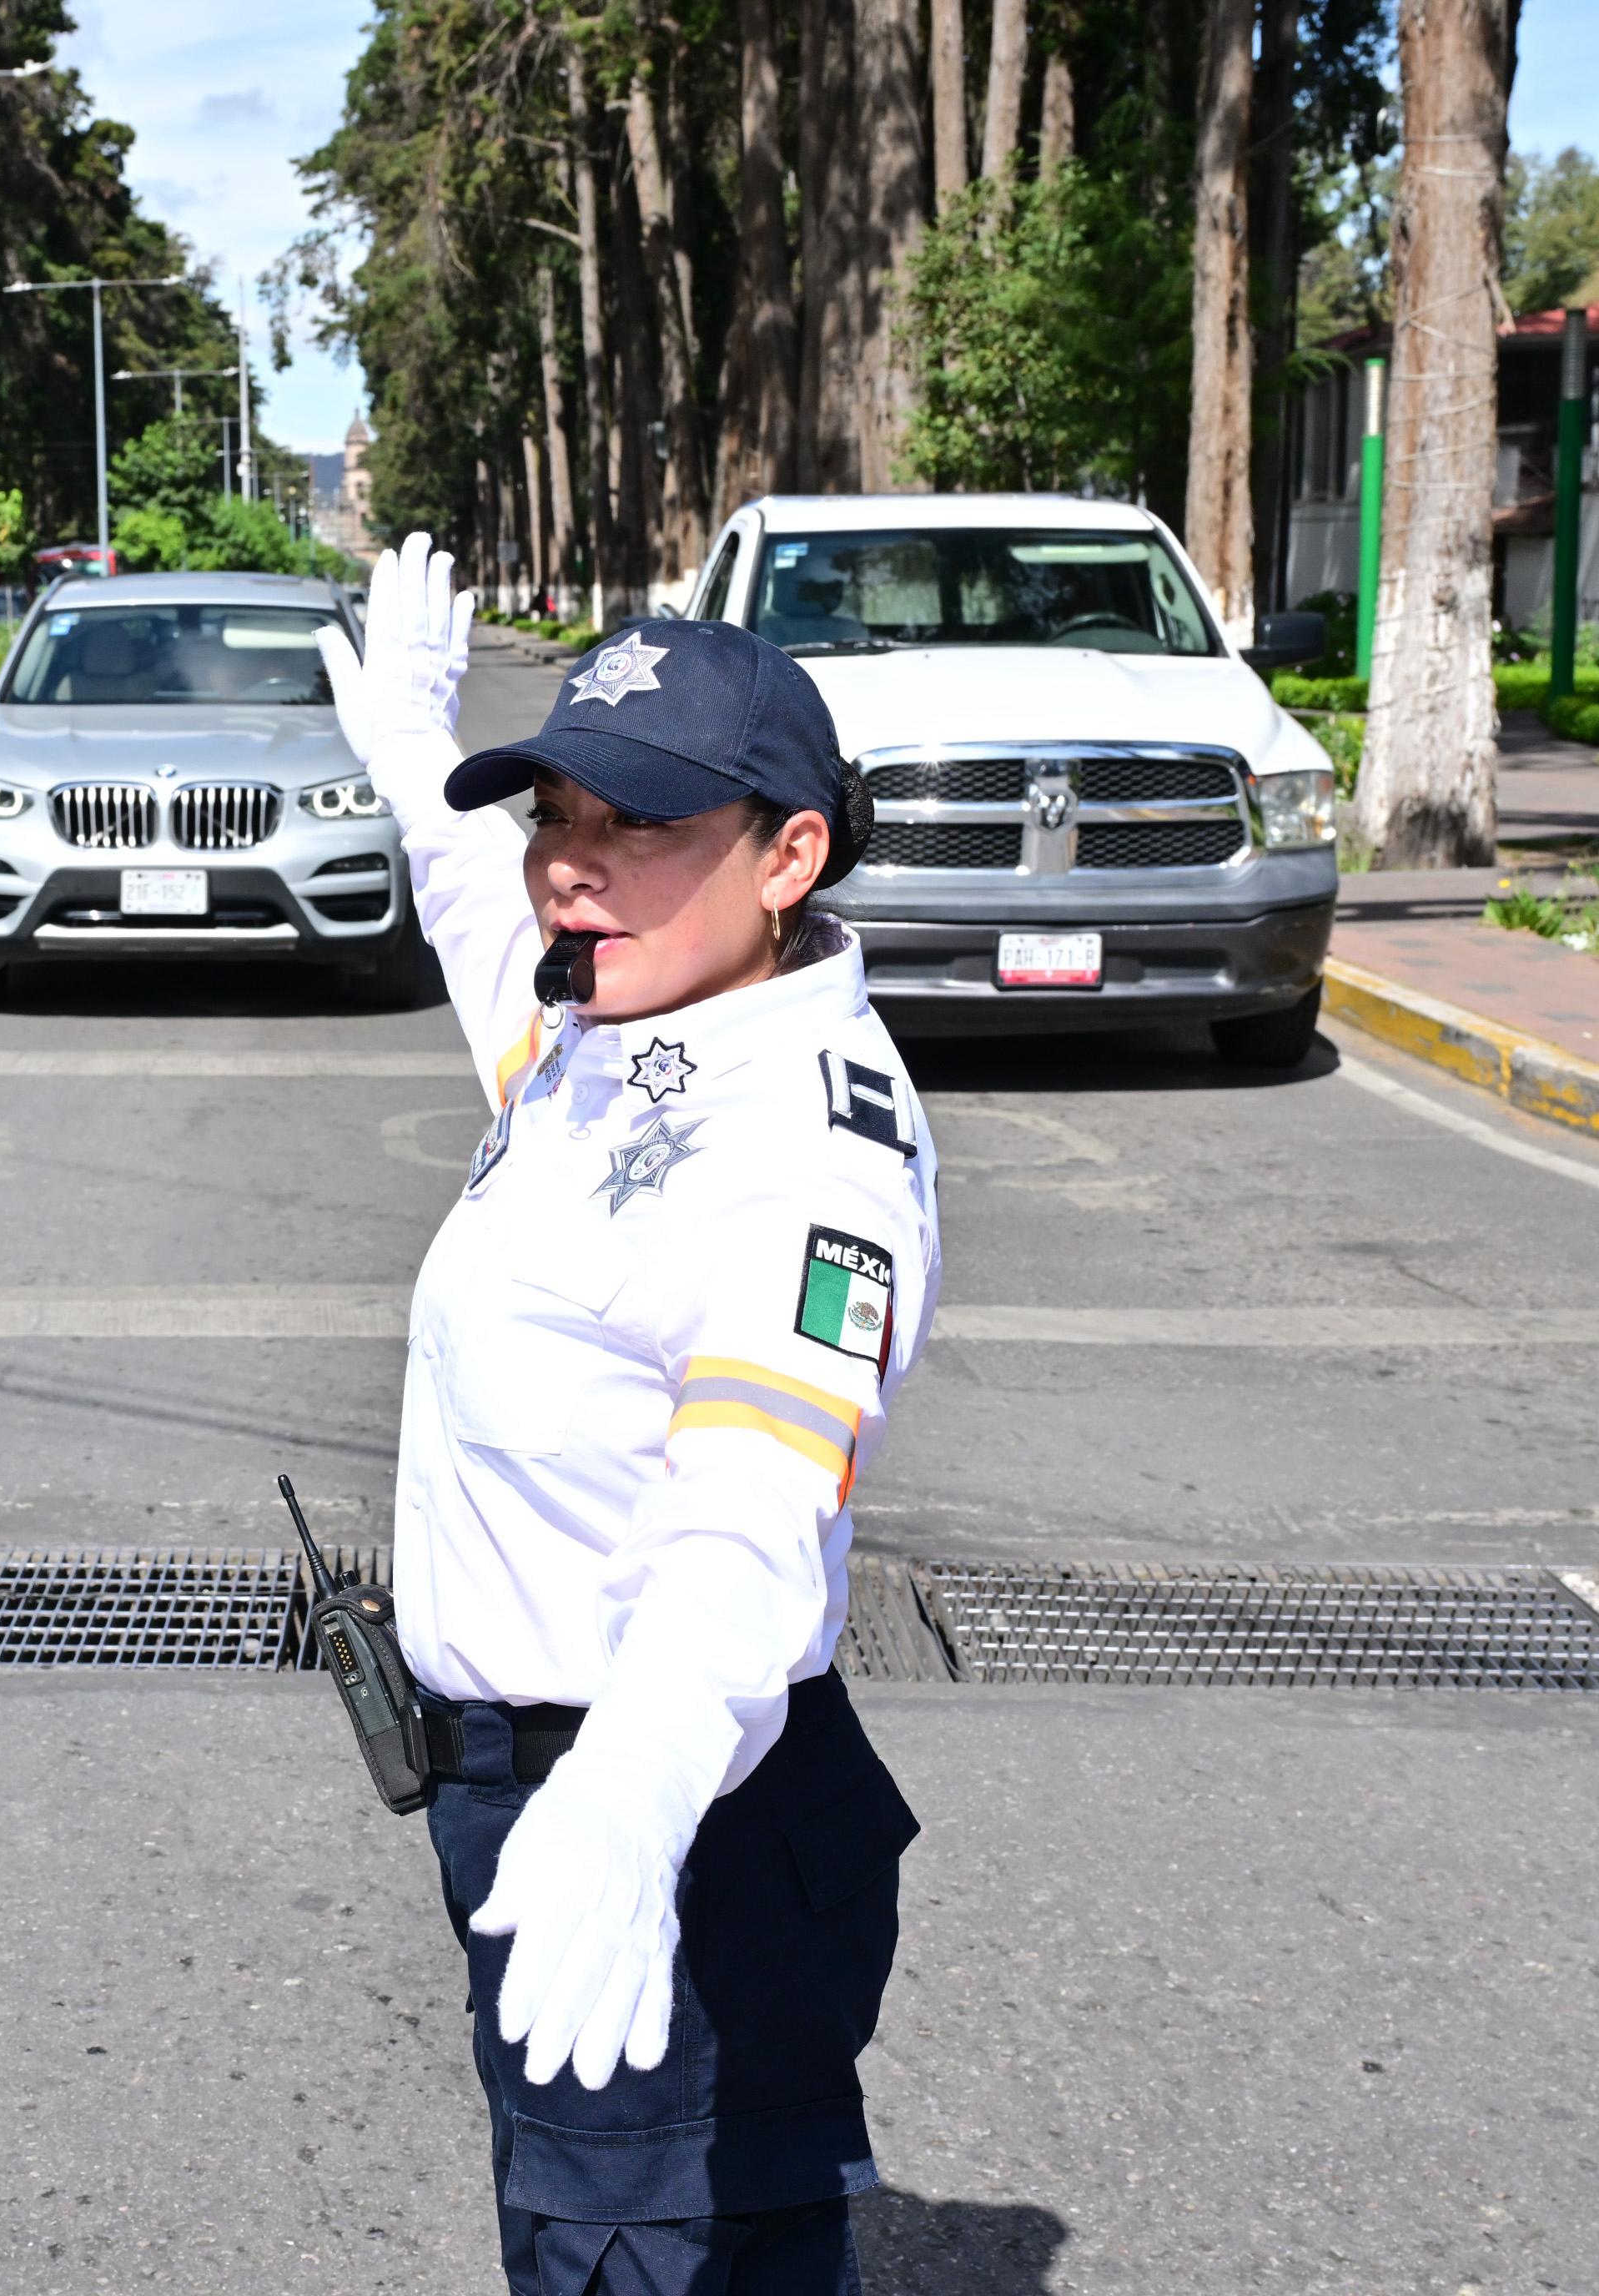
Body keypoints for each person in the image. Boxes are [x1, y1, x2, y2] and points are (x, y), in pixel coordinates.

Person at [313, 537, 938, 2295]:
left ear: (788, 855)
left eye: (639, 824)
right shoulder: (625, 1021)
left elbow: (754, 1506)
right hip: (539, 1797)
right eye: (555, 814)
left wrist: (635, 1792)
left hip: (676, 1825)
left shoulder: (803, 1158)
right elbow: (485, 925)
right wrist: (415, 755)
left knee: (642, 2251)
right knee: (579, 2224)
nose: (569, 869)